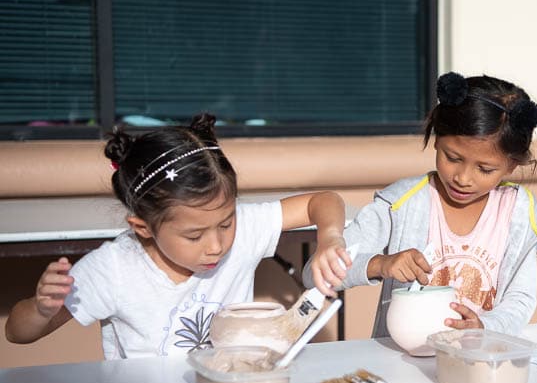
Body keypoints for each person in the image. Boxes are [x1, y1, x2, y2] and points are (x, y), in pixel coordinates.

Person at [5, 113, 350, 359]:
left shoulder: (243, 230)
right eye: (194, 235)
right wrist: (41, 308)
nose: (216, 245)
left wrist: (330, 238)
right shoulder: (113, 270)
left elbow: (322, 201)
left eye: (225, 224)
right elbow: (18, 334)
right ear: (144, 227)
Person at [304, 72, 537, 337]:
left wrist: (486, 327)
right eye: (453, 158)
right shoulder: (401, 203)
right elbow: (313, 274)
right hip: (401, 366)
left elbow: (521, 298)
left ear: (511, 165)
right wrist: (379, 264)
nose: (463, 178)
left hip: (480, 362)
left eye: (485, 169)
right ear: (437, 139)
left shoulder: (518, 211)